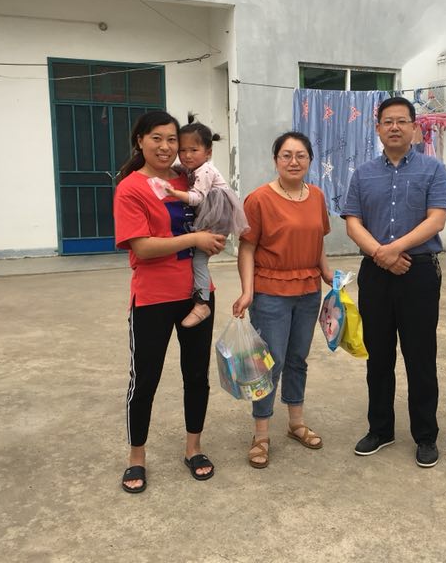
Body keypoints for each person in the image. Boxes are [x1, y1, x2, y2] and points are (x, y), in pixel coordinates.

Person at [113, 111, 226, 492]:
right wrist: (195, 240)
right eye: (157, 138)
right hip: (153, 298)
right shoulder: (130, 188)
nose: (166, 146)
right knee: (145, 379)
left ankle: (194, 448)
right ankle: (136, 457)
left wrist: (216, 235)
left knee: (196, 376)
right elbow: (142, 247)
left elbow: (214, 210)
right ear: (140, 141)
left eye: (172, 139)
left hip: (197, 294)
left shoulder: (188, 178)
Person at [342, 96, 446, 468]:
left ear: (414, 127)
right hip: (375, 273)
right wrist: (381, 254)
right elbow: (353, 221)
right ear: (377, 128)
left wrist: (395, 249)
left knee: (421, 356)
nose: (394, 127)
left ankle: (425, 435)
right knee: (378, 355)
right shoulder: (363, 174)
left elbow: (436, 219)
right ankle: (380, 429)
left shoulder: (433, 169)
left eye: (401, 121)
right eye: (387, 121)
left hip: (418, 272)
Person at [232, 131, 333, 469]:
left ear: (310, 160)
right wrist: (247, 291)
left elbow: (318, 241)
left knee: (297, 359)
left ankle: (296, 423)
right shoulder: (259, 199)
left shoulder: (316, 196)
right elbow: (247, 248)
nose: (294, 161)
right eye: (286, 155)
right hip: (271, 292)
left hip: (308, 291)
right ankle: (261, 434)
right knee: (268, 364)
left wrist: (328, 274)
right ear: (276, 160)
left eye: (301, 155)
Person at [161, 115, 249, 328]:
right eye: (183, 150)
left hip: (215, 217)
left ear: (208, 152)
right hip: (211, 214)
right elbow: (182, 169)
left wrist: (174, 193)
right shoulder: (194, 168)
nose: (187, 155)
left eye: (194, 150)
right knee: (197, 256)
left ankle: (202, 303)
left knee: (199, 260)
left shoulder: (205, 171)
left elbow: (196, 198)